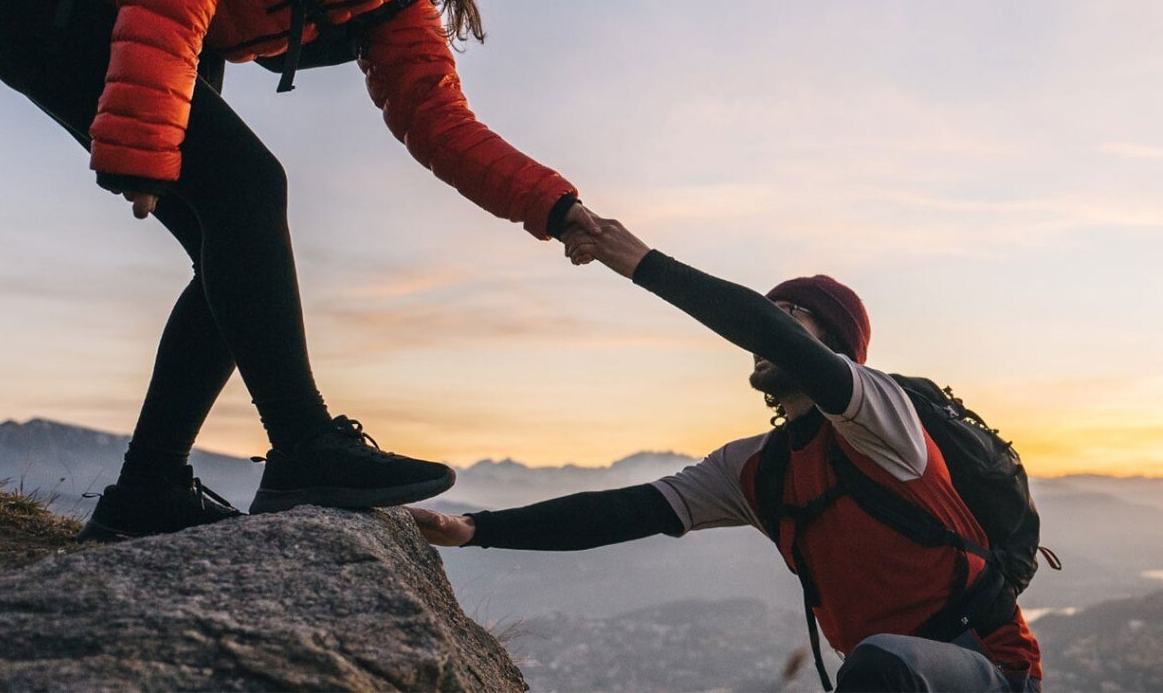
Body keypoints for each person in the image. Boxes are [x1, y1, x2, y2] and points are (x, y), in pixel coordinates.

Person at [0, 0, 600, 542]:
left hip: (138, 17)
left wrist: (558, 208)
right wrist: (143, 137)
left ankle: (149, 489)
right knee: (250, 192)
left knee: (234, 253)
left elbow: (438, 121)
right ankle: (304, 444)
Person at [410, 219, 1043, 692]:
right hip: (888, 676)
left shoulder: (883, 420)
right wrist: (475, 530)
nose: (770, 321)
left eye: (793, 314)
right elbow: (629, 510)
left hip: (987, 669)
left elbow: (762, 328)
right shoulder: (756, 471)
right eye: (771, 310)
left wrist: (638, 262)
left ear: (838, 349)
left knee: (881, 662)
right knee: (879, 664)